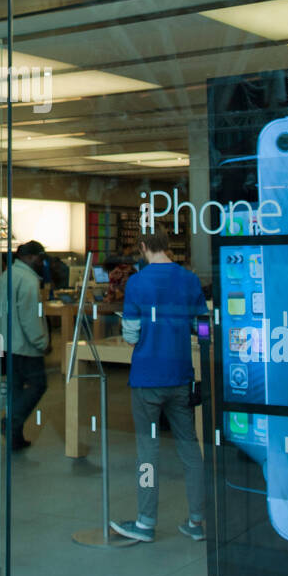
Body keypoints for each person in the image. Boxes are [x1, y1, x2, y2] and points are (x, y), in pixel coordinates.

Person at [111, 229, 206, 542]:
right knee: (190, 449)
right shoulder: (190, 279)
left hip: (147, 377)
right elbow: (202, 328)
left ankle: (146, 522)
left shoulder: (137, 282)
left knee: (147, 451)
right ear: (168, 247)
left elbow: (131, 335)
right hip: (181, 374)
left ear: (142, 248)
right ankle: (196, 521)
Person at [0, 240, 49, 452]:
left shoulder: (6, 276)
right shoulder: (28, 280)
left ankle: (15, 437)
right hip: (25, 346)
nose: (41, 262)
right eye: (39, 258)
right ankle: (10, 422)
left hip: (7, 343)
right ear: (31, 257)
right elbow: (30, 317)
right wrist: (41, 342)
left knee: (15, 389)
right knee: (38, 385)